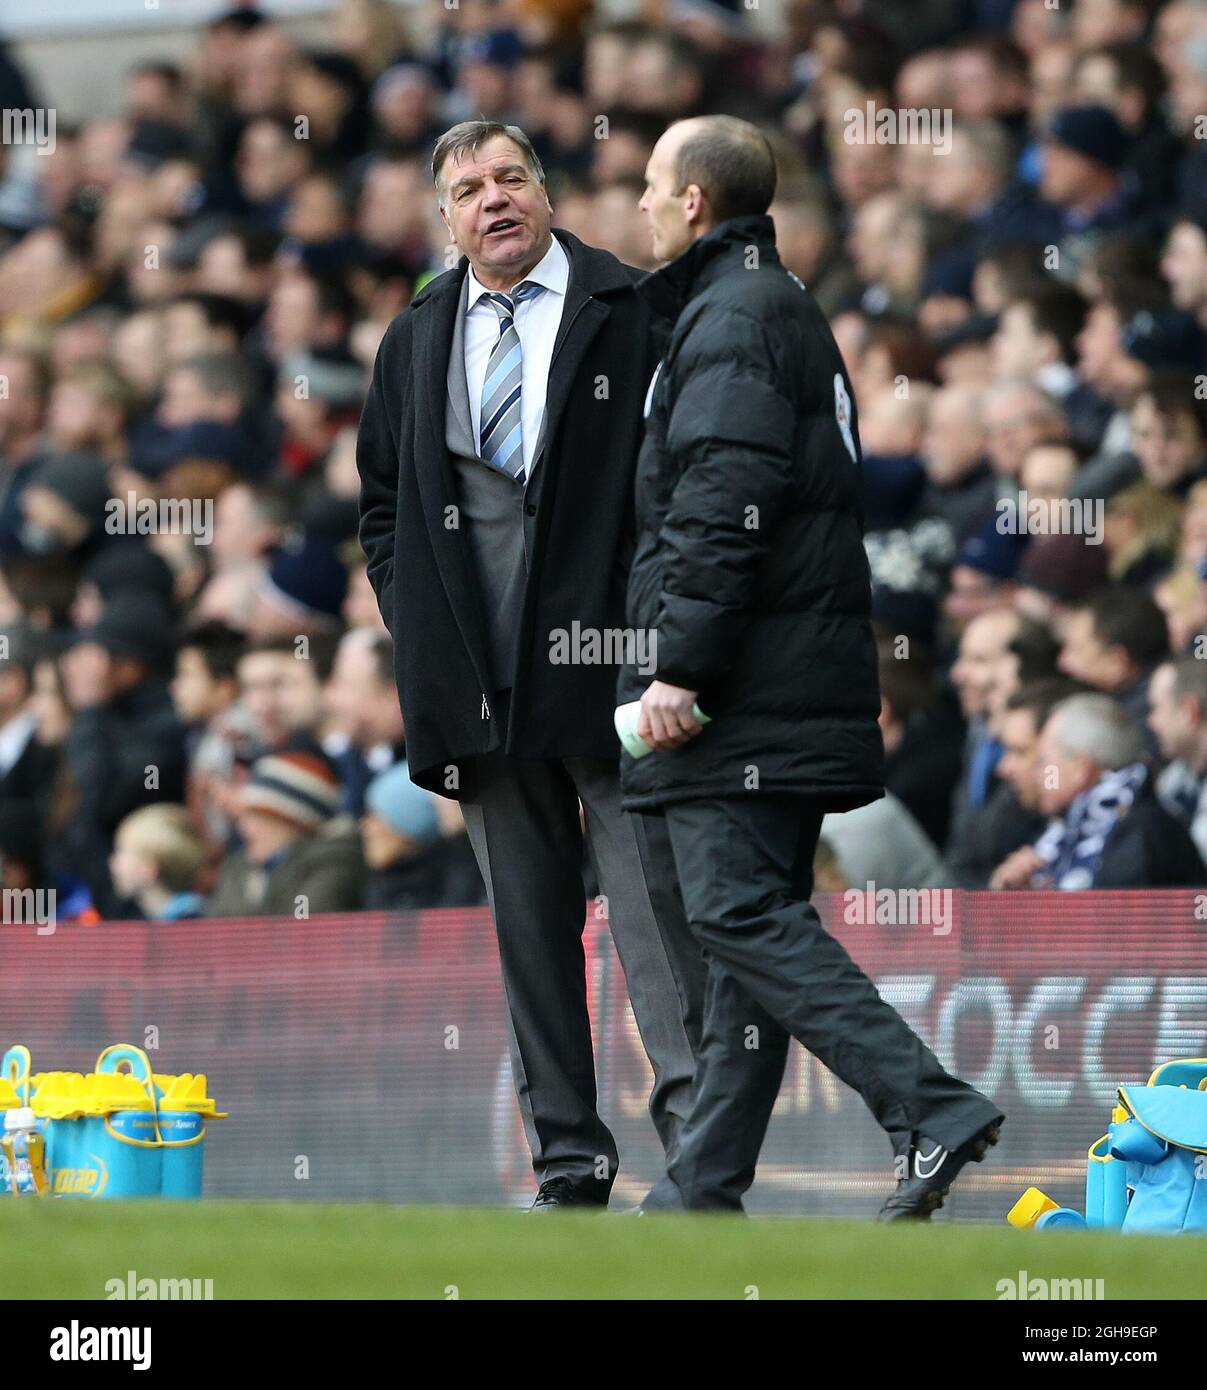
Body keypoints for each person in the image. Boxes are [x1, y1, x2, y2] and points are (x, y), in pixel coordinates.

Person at [619, 114, 1004, 1220]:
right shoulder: (765, 306)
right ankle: (702, 1185)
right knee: (746, 932)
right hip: (790, 674)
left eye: (651, 185)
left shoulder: (733, 315)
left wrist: (680, 666)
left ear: (693, 200)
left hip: (745, 685)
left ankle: (927, 1106)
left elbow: (719, 506)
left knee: (736, 915)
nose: (641, 204)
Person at [355, 119, 699, 1210]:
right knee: (530, 939)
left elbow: (683, 485)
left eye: (510, 178)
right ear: (445, 219)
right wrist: (424, 633)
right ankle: (567, 1162)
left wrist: (658, 639)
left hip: (612, 675)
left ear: (545, 195)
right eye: (467, 189)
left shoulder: (633, 306)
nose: (492, 199)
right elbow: (381, 507)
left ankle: (699, 1154)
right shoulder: (414, 337)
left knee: (655, 925)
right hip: (481, 693)